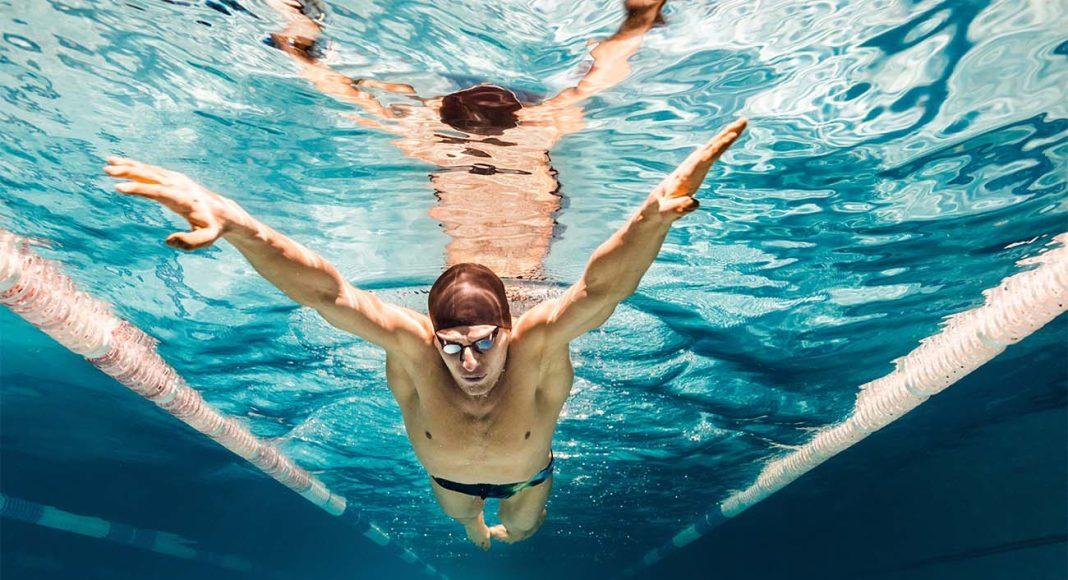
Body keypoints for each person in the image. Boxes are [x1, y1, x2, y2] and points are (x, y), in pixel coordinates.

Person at [103, 116, 746, 549]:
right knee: (469, 526)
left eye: (485, 340)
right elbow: (327, 291)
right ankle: (476, 531)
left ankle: (502, 537)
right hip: (449, 486)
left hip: (529, 477)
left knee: (517, 538)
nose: (468, 359)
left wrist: (651, 217)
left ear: (509, 326)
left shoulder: (539, 343)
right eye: (453, 343)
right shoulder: (413, 350)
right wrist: (243, 228)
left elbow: (601, 288)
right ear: (433, 334)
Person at [263, 0, 668, 279]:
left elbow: (346, 93)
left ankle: (296, 32)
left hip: (465, 137)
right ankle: (643, 19)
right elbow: (598, 79)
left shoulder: (430, 133)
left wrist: (295, 51)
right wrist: (640, 22)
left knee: (368, 94)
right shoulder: (535, 127)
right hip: (492, 153)